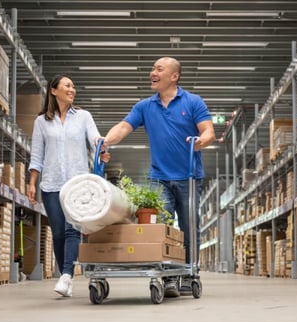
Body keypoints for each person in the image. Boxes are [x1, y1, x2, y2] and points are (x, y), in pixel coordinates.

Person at [98, 56, 215, 297]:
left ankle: (190, 272)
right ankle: (168, 275)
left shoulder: (193, 101)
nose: (153, 72)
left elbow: (208, 130)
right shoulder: (144, 106)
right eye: (152, 68)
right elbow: (123, 127)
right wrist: (105, 140)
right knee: (160, 226)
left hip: (189, 176)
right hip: (159, 177)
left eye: (159, 69)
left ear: (174, 76)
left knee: (189, 226)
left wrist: (201, 141)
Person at [27, 74, 109, 297]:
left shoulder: (83, 116)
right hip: (51, 184)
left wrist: (101, 149)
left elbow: (95, 138)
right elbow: (37, 155)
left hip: (77, 184)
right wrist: (32, 183)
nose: (72, 90)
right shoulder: (41, 121)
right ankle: (66, 275)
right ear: (54, 91)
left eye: (73, 86)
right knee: (58, 233)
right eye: (68, 86)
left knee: (72, 229)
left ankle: (66, 275)